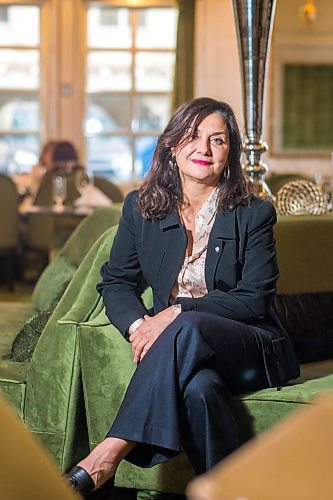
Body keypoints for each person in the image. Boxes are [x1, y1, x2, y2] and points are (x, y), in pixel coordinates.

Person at [66, 97, 300, 495]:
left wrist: (175, 313)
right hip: (184, 351)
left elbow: (254, 300)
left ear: (231, 152)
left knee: (187, 323)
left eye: (217, 140)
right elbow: (116, 282)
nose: (203, 149)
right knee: (199, 390)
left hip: (249, 344)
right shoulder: (140, 208)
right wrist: (141, 325)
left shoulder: (253, 213)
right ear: (172, 146)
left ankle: (105, 455)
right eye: (192, 136)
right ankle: (227, 488)